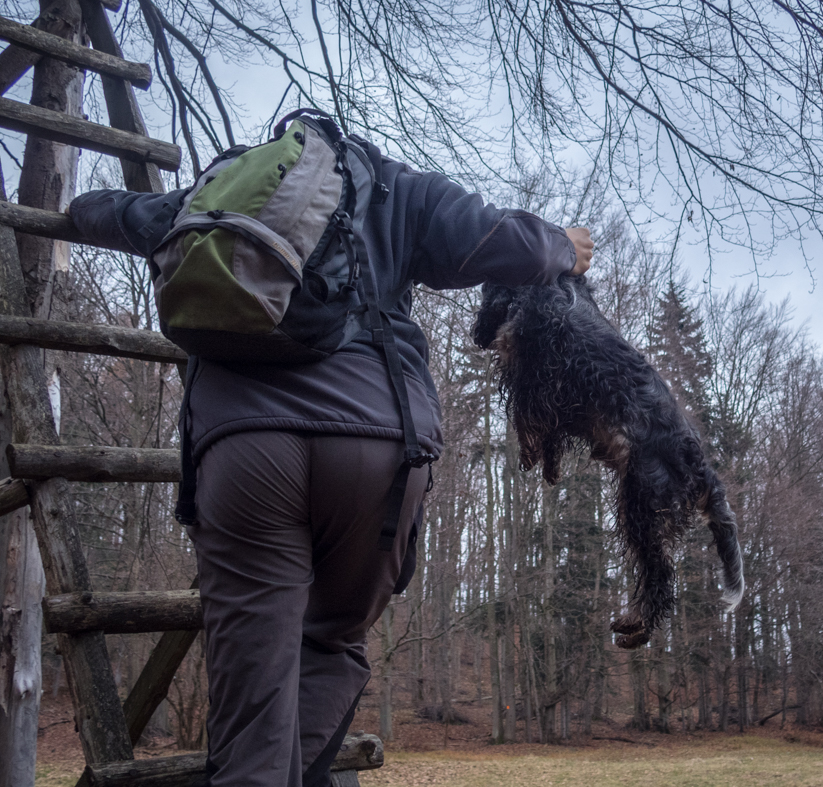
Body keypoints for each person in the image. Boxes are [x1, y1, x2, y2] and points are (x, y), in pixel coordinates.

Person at [69, 149, 593, 787]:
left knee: (254, 682)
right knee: (331, 639)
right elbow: (515, 248)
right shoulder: (400, 189)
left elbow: (111, 214)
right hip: (378, 448)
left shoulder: (219, 198)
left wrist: (74, 208)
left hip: (243, 449)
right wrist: (565, 246)